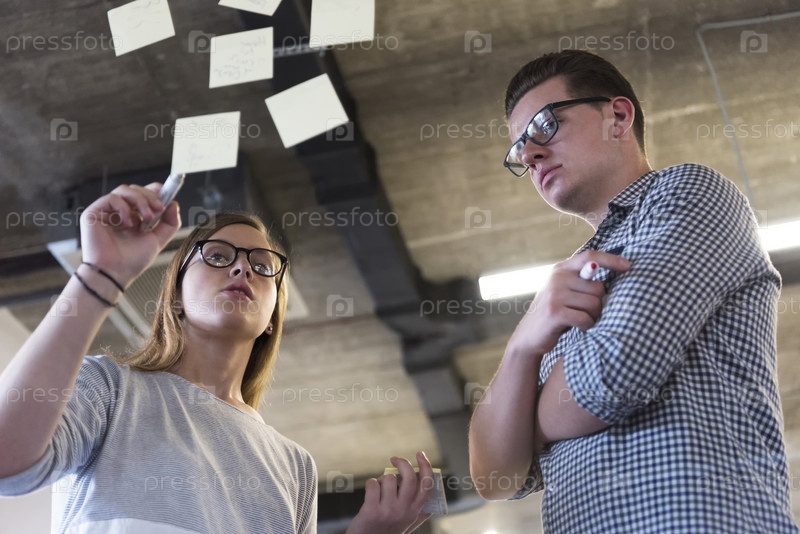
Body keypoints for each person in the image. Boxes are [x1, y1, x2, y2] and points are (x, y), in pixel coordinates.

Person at [468, 49, 798, 532]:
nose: (531, 154)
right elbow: (494, 476)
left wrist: (524, 421)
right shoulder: (561, 291)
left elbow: (615, 373)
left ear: (618, 117)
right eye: (520, 149)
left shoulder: (687, 193)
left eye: (545, 126)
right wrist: (521, 346)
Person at [0, 183, 433, 533]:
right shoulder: (111, 388)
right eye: (219, 256)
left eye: (262, 265)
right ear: (176, 297)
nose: (242, 269)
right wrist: (100, 275)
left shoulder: (295, 465)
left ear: (271, 319)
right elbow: (7, 462)